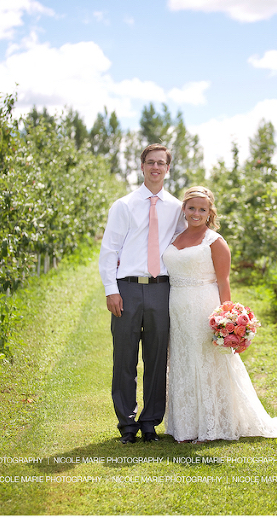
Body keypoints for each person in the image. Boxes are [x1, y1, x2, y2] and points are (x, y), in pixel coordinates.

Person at [163, 186, 277, 442]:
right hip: (176, 308)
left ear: (210, 212)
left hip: (203, 307)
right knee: (183, 360)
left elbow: (223, 282)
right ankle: (186, 426)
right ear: (184, 209)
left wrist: (226, 319)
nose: (196, 213)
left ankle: (214, 424)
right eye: (192, 208)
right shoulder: (174, 238)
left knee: (209, 362)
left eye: (202, 209)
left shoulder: (215, 241)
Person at [99, 143, 185, 444]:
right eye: (150, 162)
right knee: (124, 357)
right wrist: (112, 290)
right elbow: (109, 250)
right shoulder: (124, 205)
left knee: (157, 357)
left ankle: (150, 422)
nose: (156, 167)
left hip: (162, 289)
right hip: (128, 289)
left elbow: (182, 247)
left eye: (161, 163)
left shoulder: (177, 208)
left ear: (168, 168)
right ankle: (126, 424)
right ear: (142, 166)